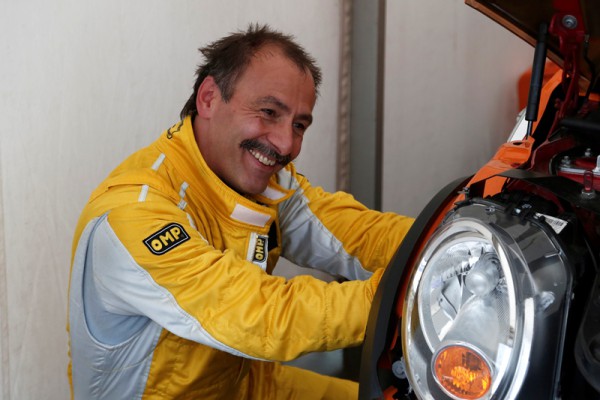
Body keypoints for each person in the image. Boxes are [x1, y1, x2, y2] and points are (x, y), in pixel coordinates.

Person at [67, 24, 413, 399]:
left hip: (245, 385)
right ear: (208, 99)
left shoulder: (268, 183)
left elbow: (359, 233)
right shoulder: (133, 212)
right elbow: (258, 314)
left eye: (299, 125)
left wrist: (443, 241)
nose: (285, 144)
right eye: (268, 112)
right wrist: (407, 297)